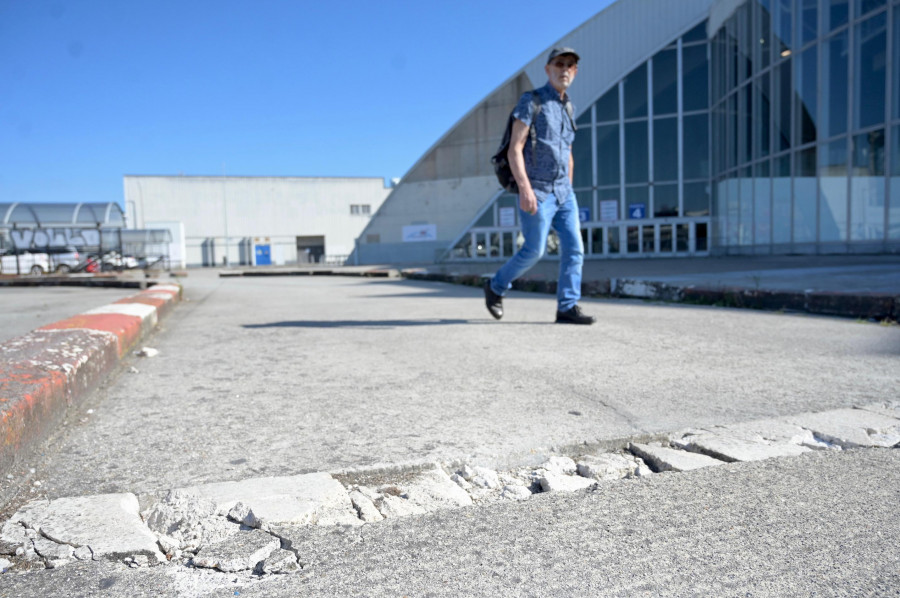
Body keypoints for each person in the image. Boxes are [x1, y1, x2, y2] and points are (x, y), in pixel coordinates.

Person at [484, 47, 595, 325]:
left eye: (570, 65)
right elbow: (515, 148)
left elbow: (567, 151)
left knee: (575, 249)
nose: (565, 69)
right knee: (534, 250)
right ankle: (496, 287)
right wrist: (524, 188)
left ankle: (567, 307)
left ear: (576, 72)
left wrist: (568, 188)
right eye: (559, 64)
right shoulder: (531, 101)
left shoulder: (569, 107)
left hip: (563, 193)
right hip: (537, 190)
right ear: (548, 69)